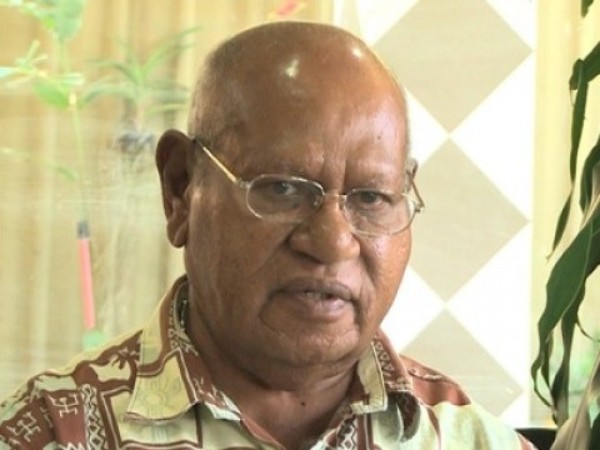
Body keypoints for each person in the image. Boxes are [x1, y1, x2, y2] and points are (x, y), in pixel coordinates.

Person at [0, 21, 535, 450]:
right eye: (283, 189)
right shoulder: (52, 432)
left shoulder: (468, 440)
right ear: (181, 189)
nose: (332, 242)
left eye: (371, 198)